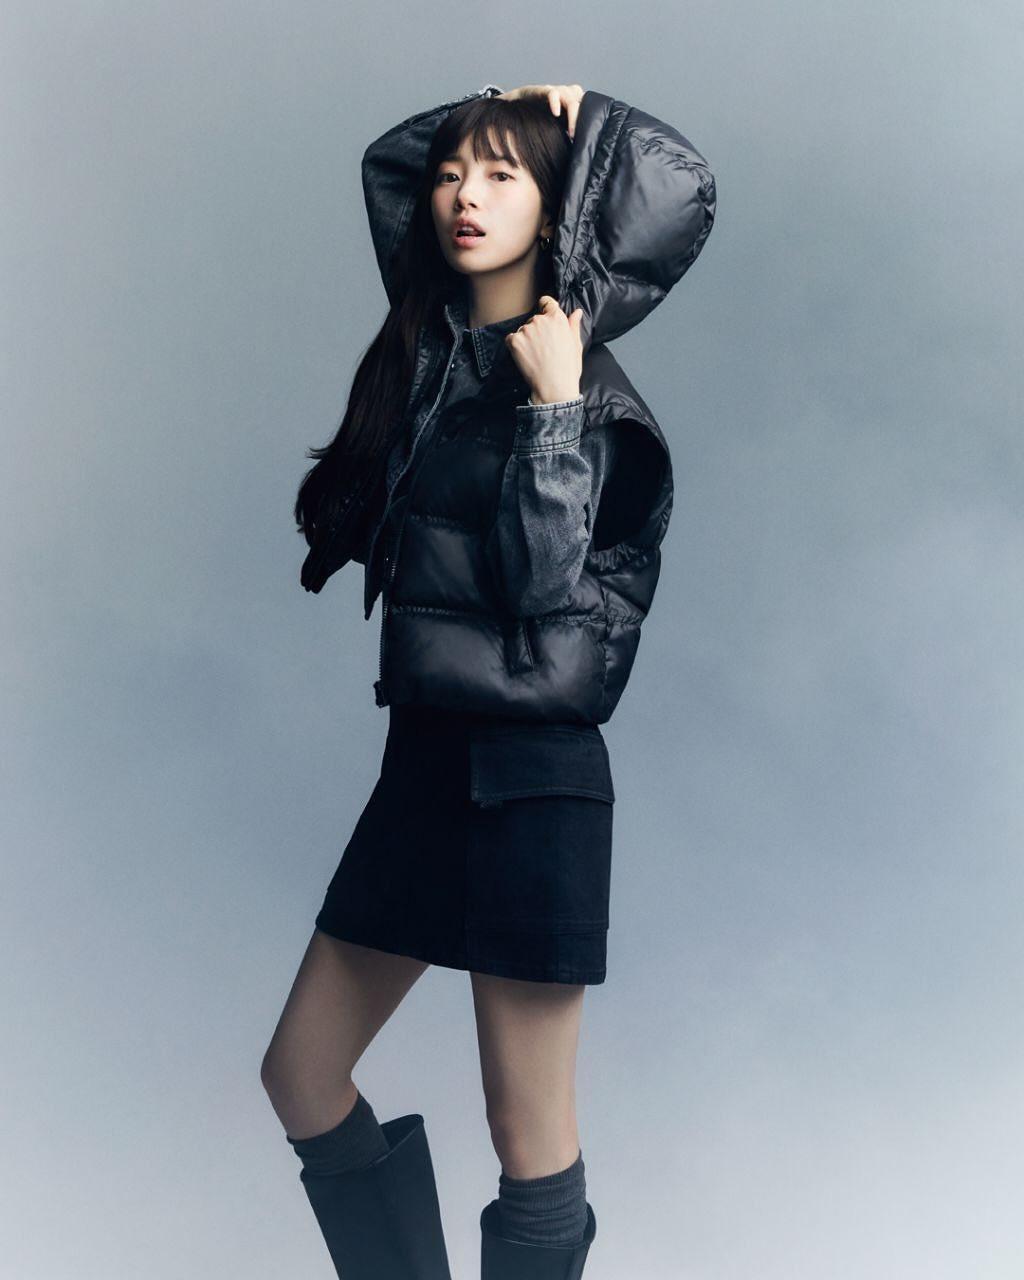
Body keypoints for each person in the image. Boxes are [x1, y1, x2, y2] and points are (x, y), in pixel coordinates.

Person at [261, 82, 717, 1278]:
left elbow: (539, 591)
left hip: (530, 783)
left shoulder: (594, 398)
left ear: (557, 208)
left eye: (504, 174)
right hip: (424, 763)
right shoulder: (439, 360)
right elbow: (388, 165)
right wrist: (500, 108)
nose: (464, 193)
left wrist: (555, 407)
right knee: (301, 1073)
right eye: (455, 172)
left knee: (526, 1130)